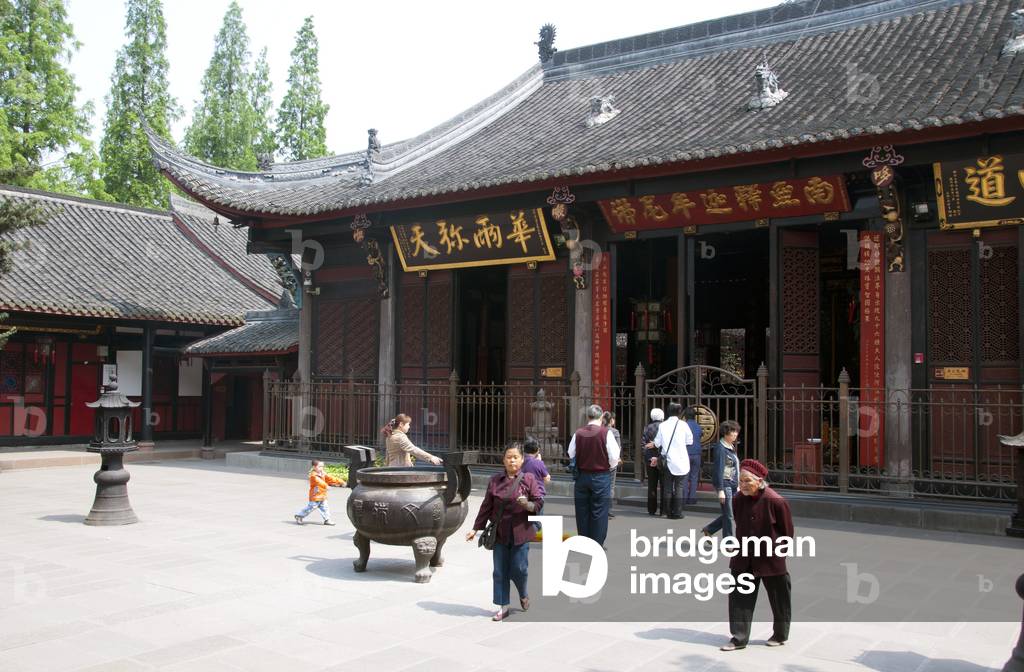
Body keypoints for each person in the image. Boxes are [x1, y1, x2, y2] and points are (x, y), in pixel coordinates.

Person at [718, 459, 793, 651]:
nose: (742, 485)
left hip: (770, 557)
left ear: (759, 481)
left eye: (747, 481)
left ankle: (780, 633)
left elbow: (787, 532)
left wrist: (778, 554)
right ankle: (738, 637)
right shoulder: (737, 499)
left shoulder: (776, 501)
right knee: (739, 597)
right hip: (744, 556)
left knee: (779, 598)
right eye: (740, 481)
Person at [466, 444, 544, 621]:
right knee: (500, 571)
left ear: (522, 459)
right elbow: (486, 506)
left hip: (521, 532)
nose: (512, 460)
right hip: (500, 533)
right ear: (503, 460)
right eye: (509, 457)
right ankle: (503, 605)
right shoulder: (495, 480)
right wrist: (475, 528)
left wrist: (528, 505)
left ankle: (523, 593)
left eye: (516, 457)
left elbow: (539, 502)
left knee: (519, 568)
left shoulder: (528, 479)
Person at [567, 404, 620, 546]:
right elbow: (614, 457)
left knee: (582, 510)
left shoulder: (579, 433)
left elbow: (571, 452)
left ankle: (584, 541)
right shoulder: (606, 433)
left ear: (588, 417)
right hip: (601, 475)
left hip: (582, 476)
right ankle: (597, 542)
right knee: (599, 511)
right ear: (602, 416)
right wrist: (608, 466)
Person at [652, 402, 692, 519]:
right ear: (680, 412)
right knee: (679, 486)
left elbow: (657, 443)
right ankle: (677, 512)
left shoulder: (663, 425)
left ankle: (666, 511)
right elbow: (690, 441)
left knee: (668, 487)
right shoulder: (683, 425)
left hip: (668, 460)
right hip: (681, 460)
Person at [702, 420, 741, 538]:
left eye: (736, 432)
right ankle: (728, 542)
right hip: (725, 484)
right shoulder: (721, 448)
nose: (735, 434)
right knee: (729, 515)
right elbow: (719, 469)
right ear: (725, 433)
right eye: (732, 432)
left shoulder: (730, 446)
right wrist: (720, 489)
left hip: (733, 484)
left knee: (731, 512)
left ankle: (709, 529)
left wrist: (738, 484)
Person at [294, 459, 346, 526]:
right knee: (310, 508)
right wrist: (326, 486)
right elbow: (319, 482)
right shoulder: (313, 475)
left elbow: (330, 478)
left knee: (325, 508)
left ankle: (327, 520)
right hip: (315, 496)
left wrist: (341, 481)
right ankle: (299, 516)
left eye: (322, 466)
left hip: (322, 495)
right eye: (320, 466)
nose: (322, 468)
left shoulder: (323, 473)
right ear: (314, 467)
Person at [641, 408, 665, 515]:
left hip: (650, 459)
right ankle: (663, 509)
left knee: (652, 485)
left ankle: (651, 509)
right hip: (662, 459)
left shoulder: (647, 428)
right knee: (664, 485)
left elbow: (644, 445)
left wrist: (650, 457)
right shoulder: (665, 427)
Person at [600, 411, 621, 519]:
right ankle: (608, 509)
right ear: (611, 420)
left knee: (600, 485)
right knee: (610, 486)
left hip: (600, 462)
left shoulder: (599, 430)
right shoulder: (614, 432)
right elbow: (618, 448)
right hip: (611, 462)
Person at [682, 407, 704, 505]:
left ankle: (684, 497)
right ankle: (692, 498)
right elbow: (700, 436)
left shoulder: (683, 426)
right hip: (697, 453)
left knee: (685, 476)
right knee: (694, 476)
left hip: (685, 453)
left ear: (685, 416)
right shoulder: (698, 426)